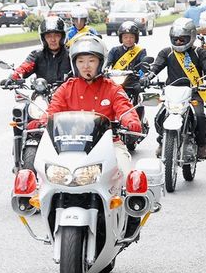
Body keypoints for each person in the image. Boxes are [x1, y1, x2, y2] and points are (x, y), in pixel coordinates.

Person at [28, 35, 142, 179]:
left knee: (127, 176)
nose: (85, 66)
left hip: (109, 145)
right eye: (80, 61)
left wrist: (131, 121)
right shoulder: (66, 88)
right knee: (43, 174)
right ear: (74, 64)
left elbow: (124, 108)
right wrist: (42, 121)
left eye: (91, 61)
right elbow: (53, 109)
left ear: (101, 62)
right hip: (69, 146)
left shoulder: (113, 88)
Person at [140, 18, 206, 159]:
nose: (178, 42)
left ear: (192, 37)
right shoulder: (166, 52)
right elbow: (156, 67)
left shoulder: (200, 52)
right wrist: (147, 77)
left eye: (182, 39)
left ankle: (202, 145)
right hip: (172, 93)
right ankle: (162, 141)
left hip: (194, 92)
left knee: (200, 116)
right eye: (175, 39)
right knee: (160, 116)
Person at [0, 16, 71, 86]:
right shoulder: (37, 55)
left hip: (67, 94)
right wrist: (13, 77)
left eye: (57, 35)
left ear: (63, 37)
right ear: (43, 38)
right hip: (43, 93)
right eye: (48, 36)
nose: (53, 40)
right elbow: (25, 67)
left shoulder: (71, 55)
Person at [105, 21, 149, 103]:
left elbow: (144, 63)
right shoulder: (114, 50)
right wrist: (105, 69)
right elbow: (107, 63)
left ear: (136, 38)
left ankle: (138, 113)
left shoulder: (140, 51)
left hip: (132, 80)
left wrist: (143, 73)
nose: (128, 39)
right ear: (121, 38)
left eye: (131, 37)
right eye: (125, 37)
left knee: (139, 90)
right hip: (115, 79)